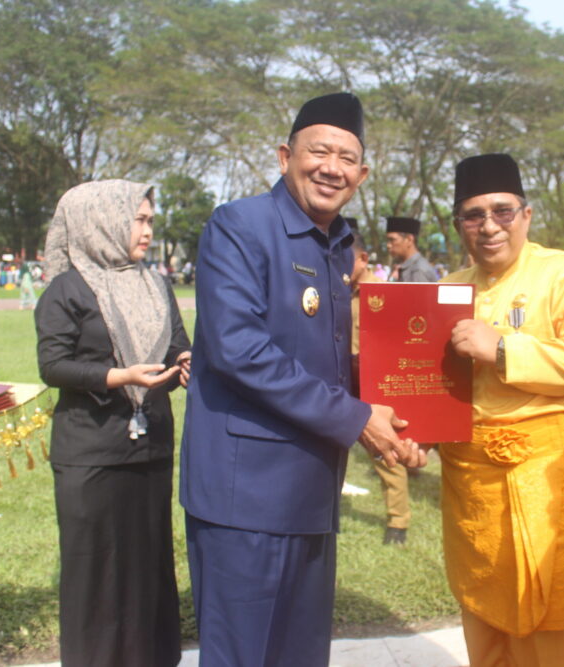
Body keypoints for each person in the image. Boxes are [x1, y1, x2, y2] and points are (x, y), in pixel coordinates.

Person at [179, 92, 422, 667]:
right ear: (286, 155)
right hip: (246, 495)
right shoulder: (238, 227)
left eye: (347, 159)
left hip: (312, 487)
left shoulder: (339, 245)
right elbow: (239, 349)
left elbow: (335, 359)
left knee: (300, 653)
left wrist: (408, 409)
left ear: (361, 175)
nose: (331, 168)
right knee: (243, 654)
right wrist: (357, 418)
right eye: (319, 151)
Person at [441, 153, 564, 667]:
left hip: (557, 485)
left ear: (526, 215)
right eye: (473, 215)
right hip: (475, 486)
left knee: (553, 633)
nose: (488, 226)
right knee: (484, 626)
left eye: (502, 211)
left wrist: (503, 349)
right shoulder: (447, 290)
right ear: (458, 223)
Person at [35, 180, 191, 667]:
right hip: (91, 454)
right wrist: (118, 376)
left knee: (147, 570)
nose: (147, 231)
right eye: (138, 220)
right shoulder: (68, 288)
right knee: (96, 576)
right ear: (101, 222)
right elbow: (53, 366)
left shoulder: (154, 283)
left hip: (150, 450)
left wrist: (185, 361)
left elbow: (176, 343)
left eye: (149, 220)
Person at [348, 231, 411, 544]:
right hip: (339, 381)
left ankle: (397, 522)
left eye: (344, 258)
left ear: (362, 259)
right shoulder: (334, 291)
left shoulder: (383, 292)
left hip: (374, 385)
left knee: (386, 454)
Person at [386, 216, 439, 282]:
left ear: (409, 240)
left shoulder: (418, 270)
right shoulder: (403, 267)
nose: (388, 245)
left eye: (392, 240)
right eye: (387, 240)